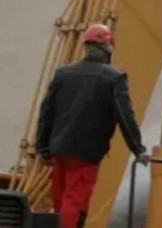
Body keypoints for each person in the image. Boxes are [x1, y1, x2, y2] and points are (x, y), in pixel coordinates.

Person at [36, 23, 150, 228]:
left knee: (60, 202)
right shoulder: (114, 78)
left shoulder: (63, 73)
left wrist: (43, 148)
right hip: (85, 153)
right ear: (108, 49)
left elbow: (47, 111)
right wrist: (138, 149)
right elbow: (125, 116)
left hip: (58, 150)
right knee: (74, 201)